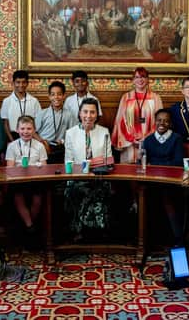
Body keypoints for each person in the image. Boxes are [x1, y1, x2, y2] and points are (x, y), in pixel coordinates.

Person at [64, 99, 114, 238]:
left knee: (101, 189)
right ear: (80, 113)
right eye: (85, 111)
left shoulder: (104, 132)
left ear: (97, 115)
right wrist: (90, 164)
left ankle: (100, 231)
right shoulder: (70, 133)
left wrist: (91, 164)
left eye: (92, 112)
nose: (88, 115)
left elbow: (108, 159)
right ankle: (78, 231)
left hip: (99, 176)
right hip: (77, 177)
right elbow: (69, 161)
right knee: (76, 190)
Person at [142, 109, 184, 244]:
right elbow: (143, 162)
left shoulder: (176, 139)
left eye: (166, 121)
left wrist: (154, 165)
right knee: (145, 198)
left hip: (171, 181)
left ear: (170, 123)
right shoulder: (148, 140)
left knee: (167, 198)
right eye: (159, 120)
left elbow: (177, 162)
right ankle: (149, 238)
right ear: (155, 122)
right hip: (152, 181)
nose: (162, 123)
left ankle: (176, 238)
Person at [6, 116, 48, 244]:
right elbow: (9, 167)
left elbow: (45, 166)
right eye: (23, 129)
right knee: (18, 195)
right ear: (17, 130)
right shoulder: (12, 146)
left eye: (29, 128)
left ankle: (29, 225)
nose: (26, 132)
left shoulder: (40, 146)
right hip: (18, 179)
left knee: (37, 198)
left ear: (34, 130)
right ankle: (30, 228)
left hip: (35, 178)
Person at [111, 67, 163, 163]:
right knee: (129, 172)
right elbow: (120, 120)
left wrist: (146, 138)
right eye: (137, 77)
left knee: (148, 169)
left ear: (148, 79)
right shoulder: (126, 97)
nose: (140, 80)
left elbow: (160, 121)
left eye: (143, 77)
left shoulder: (155, 97)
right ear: (133, 80)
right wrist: (131, 138)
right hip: (129, 142)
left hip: (150, 141)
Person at [35, 81, 78, 164]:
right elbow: (33, 132)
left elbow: (73, 133)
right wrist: (42, 142)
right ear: (49, 96)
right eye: (53, 94)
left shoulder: (69, 114)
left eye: (59, 94)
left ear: (64, 96)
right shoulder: (42, 113)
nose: (56, 97)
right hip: (43, 147)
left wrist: (63, 141)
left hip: (61, 148)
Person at [0, 70, 42, 143]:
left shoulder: (34, 101)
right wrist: (12, 141)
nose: (21, 85)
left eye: (24, 82)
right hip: (13, 136)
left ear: (27, 83)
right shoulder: (7, 101)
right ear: (13, 83)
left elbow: (37, 123)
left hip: (31, 136)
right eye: (18, 82)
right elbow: (5, 125)